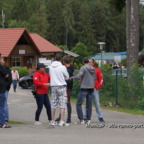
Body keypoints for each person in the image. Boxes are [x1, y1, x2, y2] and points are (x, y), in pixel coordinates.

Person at [71, 57, 95, 124]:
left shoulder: (83, 68)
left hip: (84, 88)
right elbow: (94, 78)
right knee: (89, 105)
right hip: (91, 88)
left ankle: (81, 119)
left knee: (78, 104)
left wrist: (72, 77)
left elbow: (79, 76)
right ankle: (88, 119)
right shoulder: (93, 68)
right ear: (88, 61)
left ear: (83, 62)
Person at [49, 54, 69, 126]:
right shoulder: (62, 67)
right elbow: (67, 76)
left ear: (54, 59)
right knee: (62, 104)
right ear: (61, 59)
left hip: (53, 86)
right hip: (61, 86)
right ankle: (61, 121)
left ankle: (52, 120)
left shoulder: (51, 67)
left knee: (53, 103)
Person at [55, 56, 74, 124]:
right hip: (68, 87)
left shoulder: (67, 69)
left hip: (66, 87)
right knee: (64, 102)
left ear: (64, 62)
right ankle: (62, 117)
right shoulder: (71, 68)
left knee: (66, 102)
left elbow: (67, 79)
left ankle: (68, 118)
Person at [0, 56, 11, 128]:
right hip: (1, 90)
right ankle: (2, 123)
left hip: (3, 89)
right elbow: (7, 75)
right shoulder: (2, 68)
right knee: (2, 106)